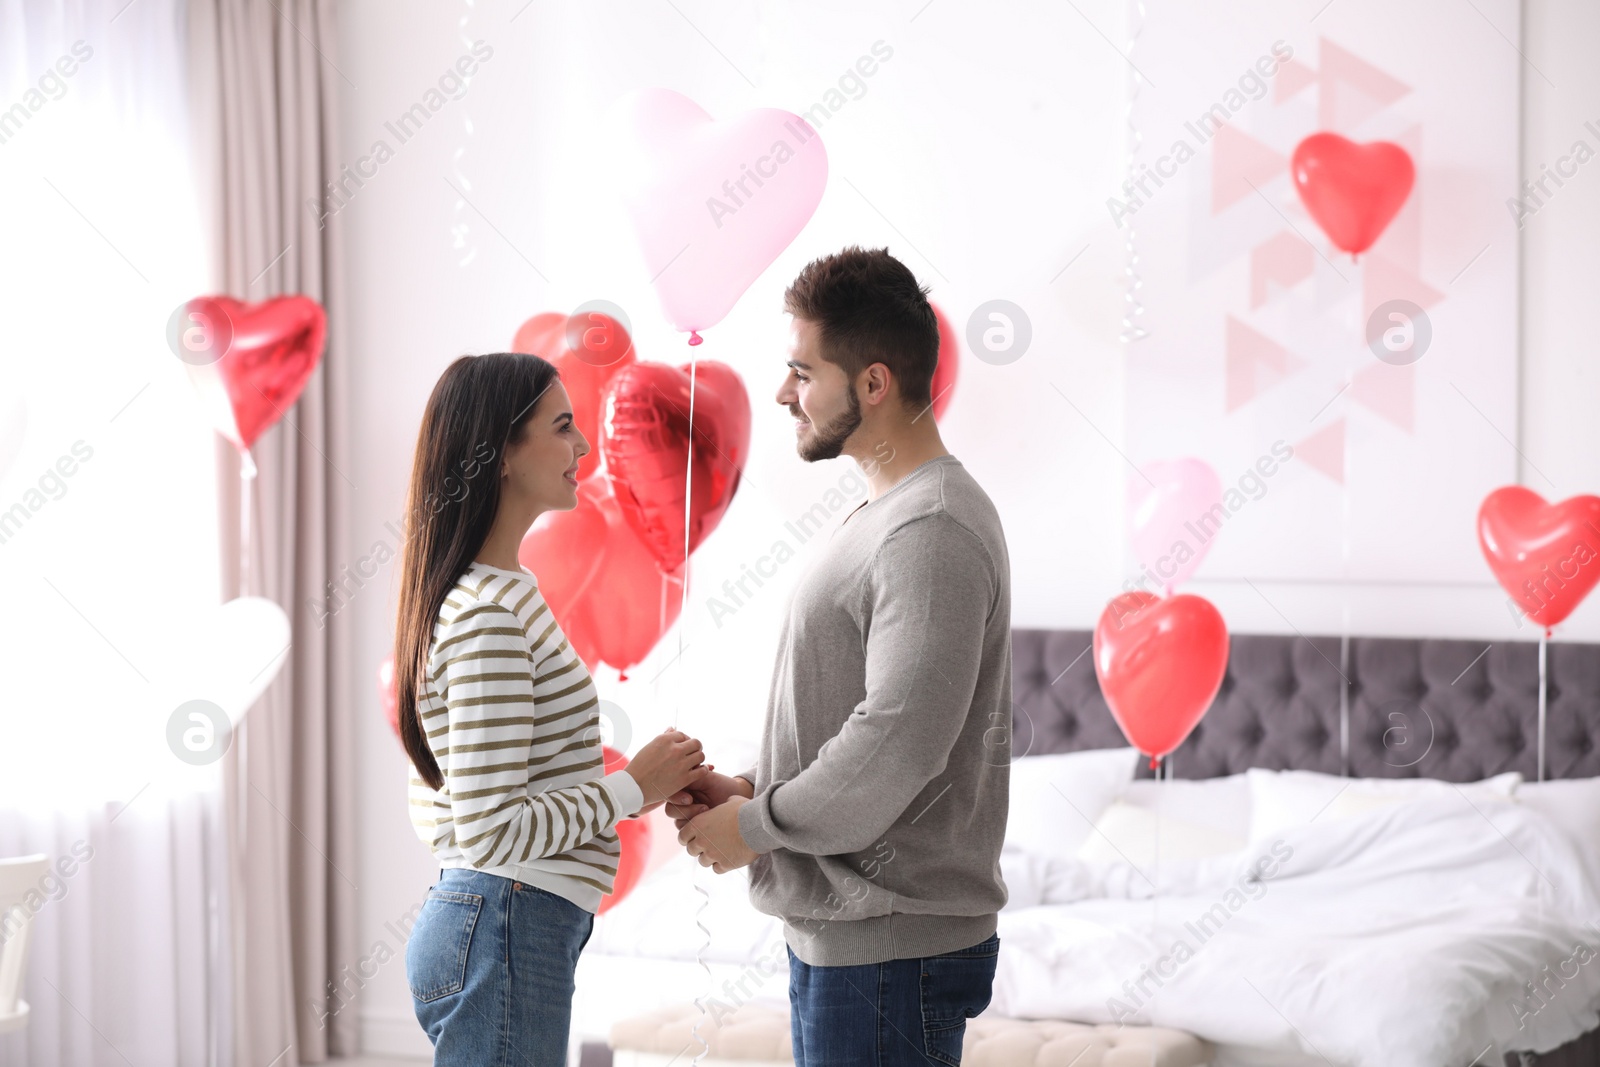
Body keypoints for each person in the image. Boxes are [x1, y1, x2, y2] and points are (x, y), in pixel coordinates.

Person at [669, 246, 1014, 1066]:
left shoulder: (930, 528)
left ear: (873, 383)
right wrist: (757, 784)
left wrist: (752, 827)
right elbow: (851, 710)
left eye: (801, 370)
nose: (784, 391)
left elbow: (895, 740)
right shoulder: (887, 514)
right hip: (853, 940)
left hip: (890, 950)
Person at [394, 352, 710, 1066]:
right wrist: (634, 789)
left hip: (507, 923)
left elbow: (460, 805)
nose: (584, 447)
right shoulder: (488, 617)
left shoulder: (504, 593)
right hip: (506, 922)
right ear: (501, 454)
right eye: (563, 426)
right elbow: (490, 828)